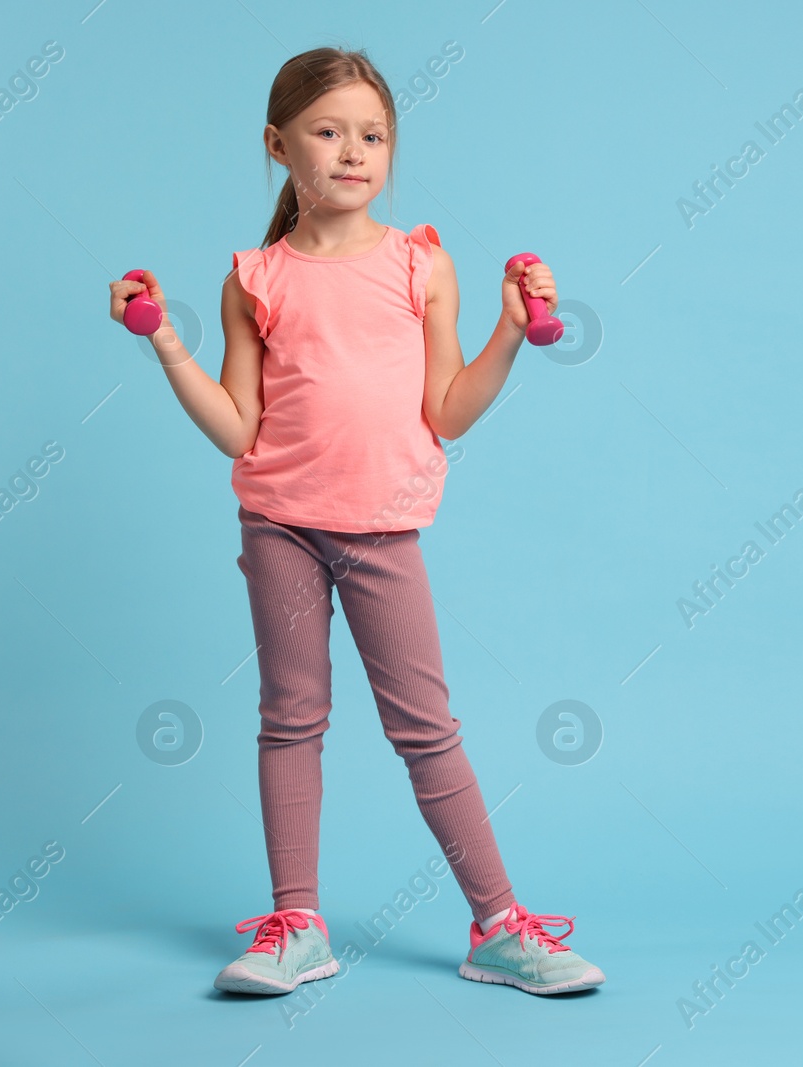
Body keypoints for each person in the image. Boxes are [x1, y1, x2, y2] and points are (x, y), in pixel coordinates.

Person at [106, 46, 603, 997]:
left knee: (425, 728)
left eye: (371, 134)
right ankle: (296, 926)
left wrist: (509, 331)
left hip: (382, 528)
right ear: (277, 144)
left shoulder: (420, 262)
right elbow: (238, 430)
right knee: (290, 721)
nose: (352, 152)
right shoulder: (255, 278)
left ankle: (499, 925)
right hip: (280, 526)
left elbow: (446, 410)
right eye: (327, 132)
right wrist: (168, 344)